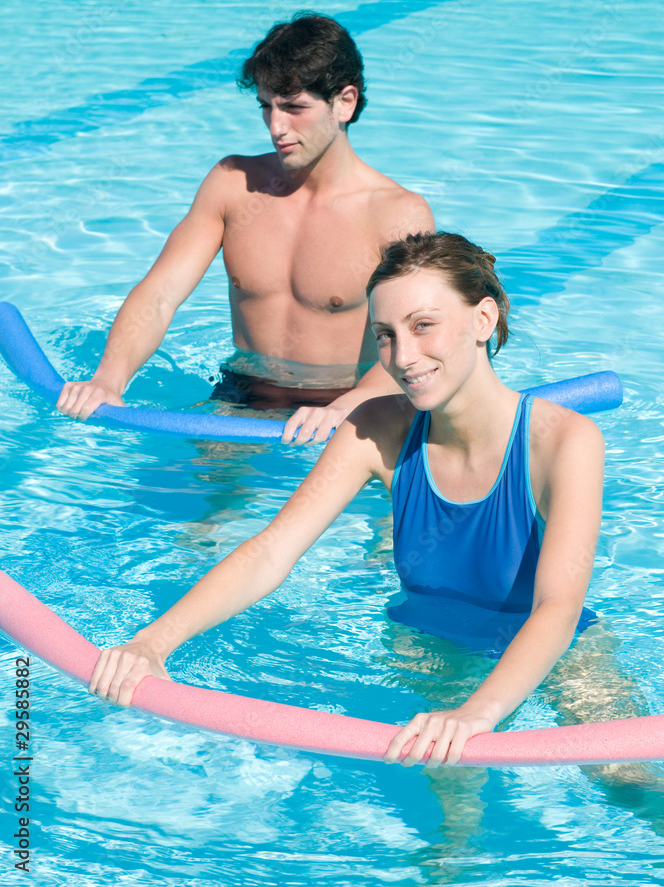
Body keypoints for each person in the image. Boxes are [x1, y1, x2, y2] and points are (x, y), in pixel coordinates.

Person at [88, 231, 605, 767]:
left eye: (423, 325)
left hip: (560, 653)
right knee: (448, 819)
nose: (403, 357)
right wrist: (151, 643)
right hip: (428, 650)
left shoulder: (564, 441)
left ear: (482, 320)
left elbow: (557, 608)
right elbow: (271, 551)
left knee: (629, 781)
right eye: (385, 336)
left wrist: (480, 712)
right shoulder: (375, 429)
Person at [56, 13, 434, 444]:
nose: (277, 127)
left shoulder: (396, 215)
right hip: (244, 397)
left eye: (294, 107)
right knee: (193, 511)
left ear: (344, 102)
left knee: (389, 512)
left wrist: (343, 409)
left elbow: (418, 348)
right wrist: (109, 379)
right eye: (266, 106)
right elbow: (160, 295)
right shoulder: (232, 185)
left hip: (352, 406)